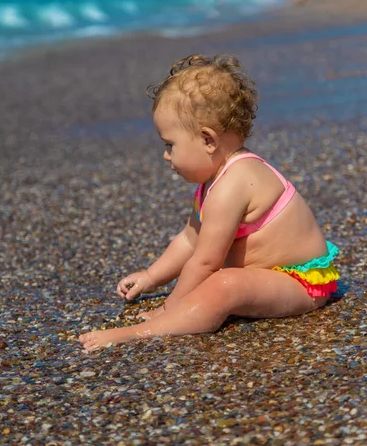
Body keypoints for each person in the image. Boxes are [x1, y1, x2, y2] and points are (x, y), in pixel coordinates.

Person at [79, 54, 339, 352]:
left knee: (223, 284)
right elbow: (190, 240)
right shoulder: (213, 182)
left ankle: (146, 330)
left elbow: (205, 261)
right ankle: (177, 312)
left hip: (301, 283)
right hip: (269, 278)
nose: (166, 156)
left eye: (170, 145)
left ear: (207, 140)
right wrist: (151, 277)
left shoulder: (233, 183)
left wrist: (170, 306)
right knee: (219, 277)